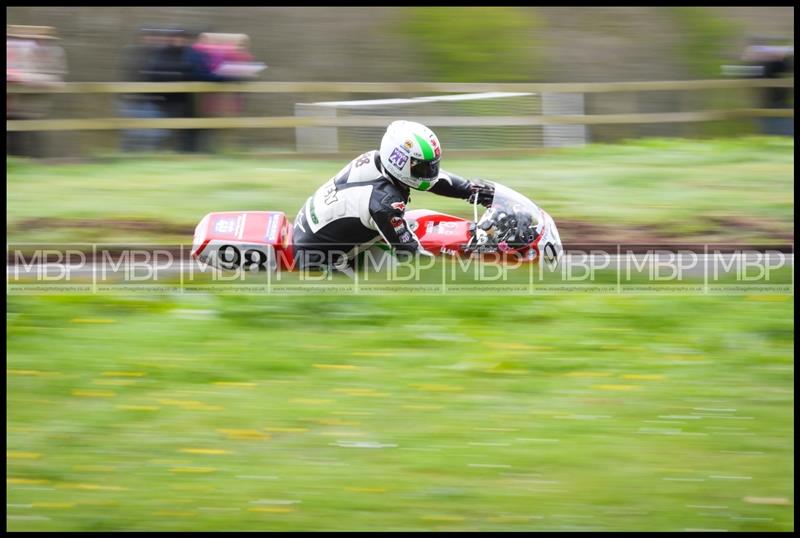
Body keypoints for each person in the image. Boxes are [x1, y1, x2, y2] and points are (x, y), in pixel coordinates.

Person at [292, 120, 495, 271]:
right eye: (423, 168)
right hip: (316, 261)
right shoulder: (385, 203)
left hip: (311, 228)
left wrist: (471, 190)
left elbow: (432, 181)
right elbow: (410, 254)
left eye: (432, 166)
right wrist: (455, 264)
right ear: (399, 162)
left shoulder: (376, 160)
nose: (429, 173)